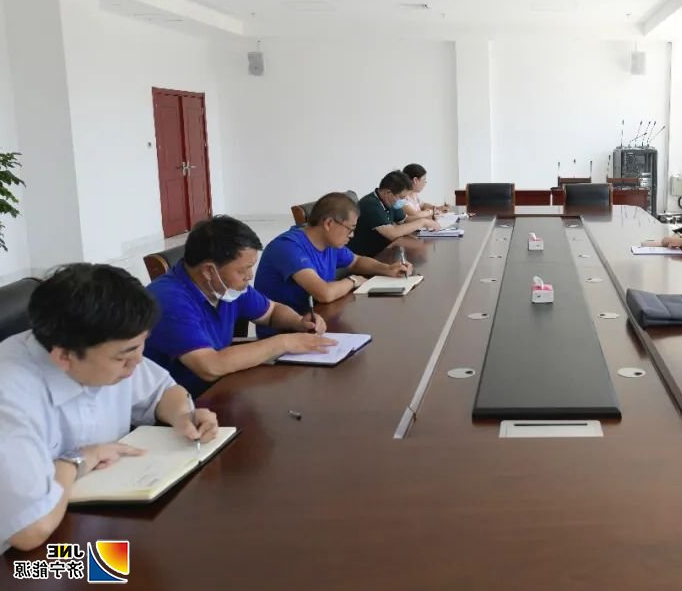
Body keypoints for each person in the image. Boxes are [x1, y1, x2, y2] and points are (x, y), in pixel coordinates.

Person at [0, 264, 219, 552]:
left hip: (98, 524)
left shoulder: (104, 346)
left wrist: (182, 415)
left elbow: (162, 390)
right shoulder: (10, 397)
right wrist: (76, 461)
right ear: (64, 356)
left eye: (141, 346)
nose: (137, 362)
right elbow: (29, 530)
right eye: (124, 357)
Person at [145, 216, 336, 397]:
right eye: (243, 270)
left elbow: (271, 312)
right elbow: (210, 366)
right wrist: (284, 343)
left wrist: (298, 322)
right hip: (179, 406)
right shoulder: (169, 300)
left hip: (222, 388)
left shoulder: (225, 287)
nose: (250, 276)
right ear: (209, 271)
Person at [253, 192, 412, 336]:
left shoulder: (329, 243)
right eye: (350, 229)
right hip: (286, 333)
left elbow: (356, 261)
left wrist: (387, 269)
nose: (352, 235)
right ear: (329, 223)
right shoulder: (289, 247)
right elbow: (324, 293)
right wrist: (353, 280)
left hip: (318, 322)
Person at [349, 170, 439, 258]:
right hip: (366, 257)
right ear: (388, 193)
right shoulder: (370, 204)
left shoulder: (389, 202)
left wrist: (428, 220)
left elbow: (405, 220)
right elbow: (392, 233)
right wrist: (422, 222)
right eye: (402, 197)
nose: (403, 201)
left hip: (386, 251)